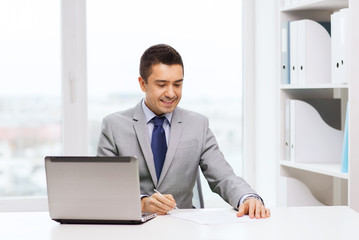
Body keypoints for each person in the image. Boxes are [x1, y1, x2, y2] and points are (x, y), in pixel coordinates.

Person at [97, 44, 270, 219]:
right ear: (143, 84)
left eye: (177, 84)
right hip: (133, 227)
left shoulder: (198, 125)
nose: (171, 93)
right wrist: (142, 203)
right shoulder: (113, 126)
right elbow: (103, 188)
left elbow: (223, 176)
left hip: (184, 226)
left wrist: (247, 198)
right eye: (162, 84)